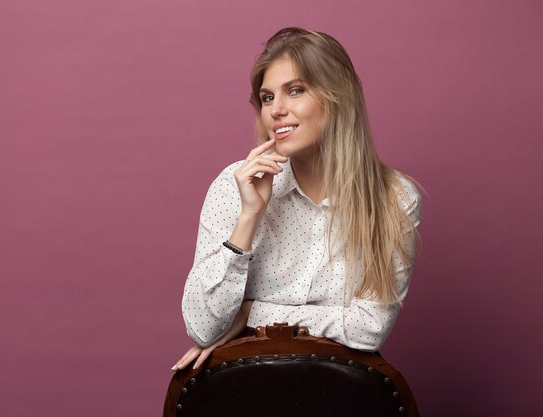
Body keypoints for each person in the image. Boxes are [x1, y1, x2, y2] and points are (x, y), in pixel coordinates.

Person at [172, 27, 422, 372]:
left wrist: (251, 313)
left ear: (338, 97)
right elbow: (203, 329)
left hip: (340, 393)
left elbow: (370, 329)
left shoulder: (395, 198)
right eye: (267, 97)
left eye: (295, 90)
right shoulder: (234, 187)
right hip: (245, 389)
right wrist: (249, 217)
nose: (276, 110)